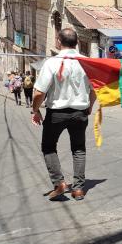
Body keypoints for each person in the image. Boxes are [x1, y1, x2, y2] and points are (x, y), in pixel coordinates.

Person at [32, 28, 96, 201]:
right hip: (80, 112)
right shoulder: (87, 62)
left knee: (48, 146)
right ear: (76, 42)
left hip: (56, 114)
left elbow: (39, 93)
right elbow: (95, 88)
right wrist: (90, 106)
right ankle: (78, 189)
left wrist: (35, 110)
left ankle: (59, 183)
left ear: (59, 41)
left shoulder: (52, 62)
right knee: (79, 149)